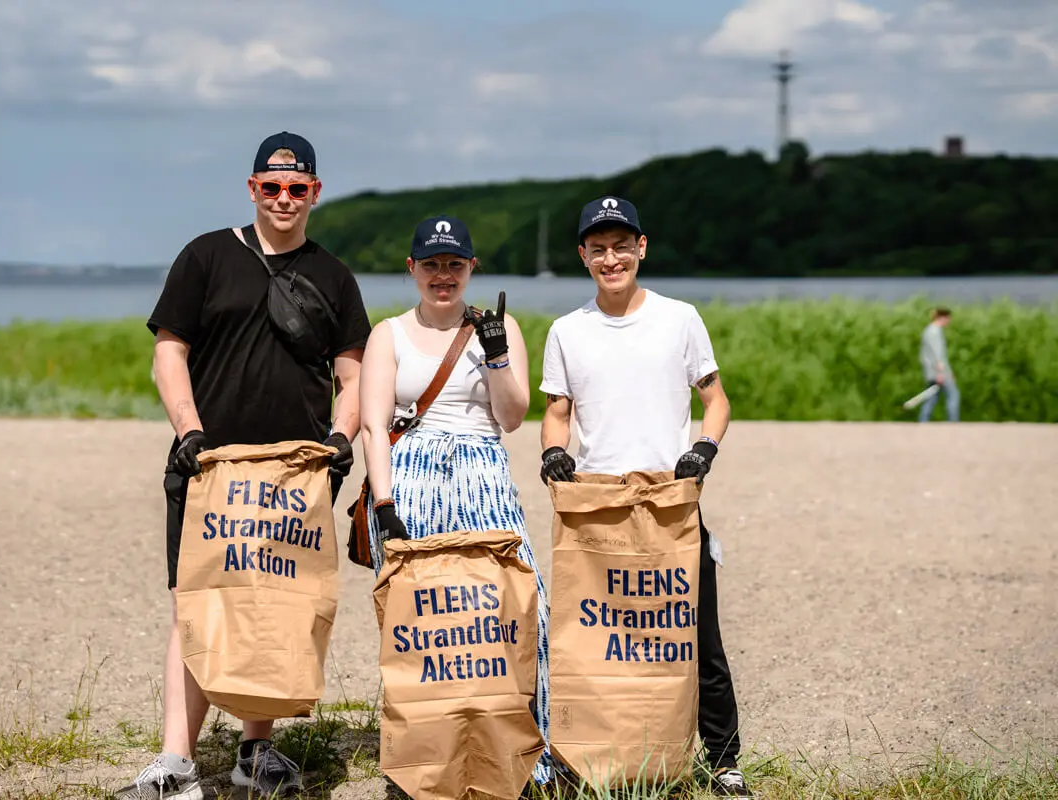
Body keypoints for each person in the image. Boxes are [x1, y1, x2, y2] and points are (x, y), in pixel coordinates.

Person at [114, 131, 372, 800]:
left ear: (315, 192)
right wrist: (189, 432)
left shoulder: (333, 275)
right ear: (252, 188)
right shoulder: (205, 256)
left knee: (276, 608)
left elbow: (353, 373)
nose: (283, 199)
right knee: (196, 607)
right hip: (210, 467)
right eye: (271, 187)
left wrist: (342, 439)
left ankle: (255, 753)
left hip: (293, 474)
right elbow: (168, 353)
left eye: (297, 189)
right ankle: (175, 763)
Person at [537, 197, 752, 799]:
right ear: (583, 256)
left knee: (696, 632)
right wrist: (554, 453)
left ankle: (724, 758)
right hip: (599, 506)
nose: (612, 258)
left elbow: (716, 401)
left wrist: (703, 450)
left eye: (621, 245)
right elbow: (556, 413)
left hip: (671, 502)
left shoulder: (679, 318)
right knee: (596, 638)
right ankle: (591, 756)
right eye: (598, 248)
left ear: (642, 248)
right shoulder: (566, 331)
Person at [357, 215, 554, 786]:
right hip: (411, 475)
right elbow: (373, 424)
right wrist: (385, 505)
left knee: (519, 608)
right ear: (411, 268)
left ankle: (525, 762)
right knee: (423, 625)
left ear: (472, 269)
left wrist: (495, 357)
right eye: (432, 264)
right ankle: (422, 764)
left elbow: (513, 418)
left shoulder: (501, 326)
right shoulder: (388, 333)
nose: (443, 276)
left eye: (455, 264)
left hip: (482, 468)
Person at [918, 307, 960, 422]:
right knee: (953, 395)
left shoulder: (929, 330)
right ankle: (953, 422)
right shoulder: (934, 331)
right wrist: (941, 373)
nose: (949, 321)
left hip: (932, 372)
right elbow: (938, 354)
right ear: (942, 317)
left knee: (932, 397)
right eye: (948, 318)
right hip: (938, 372)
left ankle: (923, 421)